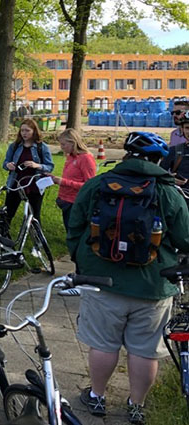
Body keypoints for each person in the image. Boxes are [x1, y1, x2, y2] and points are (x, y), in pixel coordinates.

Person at [67, 132, 189, 425]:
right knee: (145, 350)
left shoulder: (98, 185)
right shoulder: (168, 192)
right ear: (160, 160)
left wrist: (82, 260)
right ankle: (136, 406)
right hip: (153, 285)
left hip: (102, 281)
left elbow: (75, 226)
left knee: (103, 344)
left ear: (126, 155)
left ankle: (97, 397)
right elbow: (185, 239)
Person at [2, 119, 54, 224]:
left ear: (34, 131)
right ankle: (3, 235)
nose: (24, 133)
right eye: (22, 131)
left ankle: (36, 237)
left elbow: (50, 166)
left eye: (27, 130)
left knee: (34, 215)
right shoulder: (15, 146)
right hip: (16, 183)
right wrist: (8, 165)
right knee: (7, 213)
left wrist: (37, 165)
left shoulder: (42, 147)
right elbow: (5, 163)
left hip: (34, 184)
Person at [48, 128, 96, 231]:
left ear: (73, 143)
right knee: (69, 229)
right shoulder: (71, 157)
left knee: (75, 231)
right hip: (65, 200)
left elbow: (89, 185)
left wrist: (63, 182)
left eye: (64, 145)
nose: (62, 148)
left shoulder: (85, 159)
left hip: (76, 201)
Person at [160, 110, 189, 195]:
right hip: (181, 199)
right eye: (187, 128)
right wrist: (170, 179)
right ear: (182, 129)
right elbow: (160, 174)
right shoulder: (174, 151)